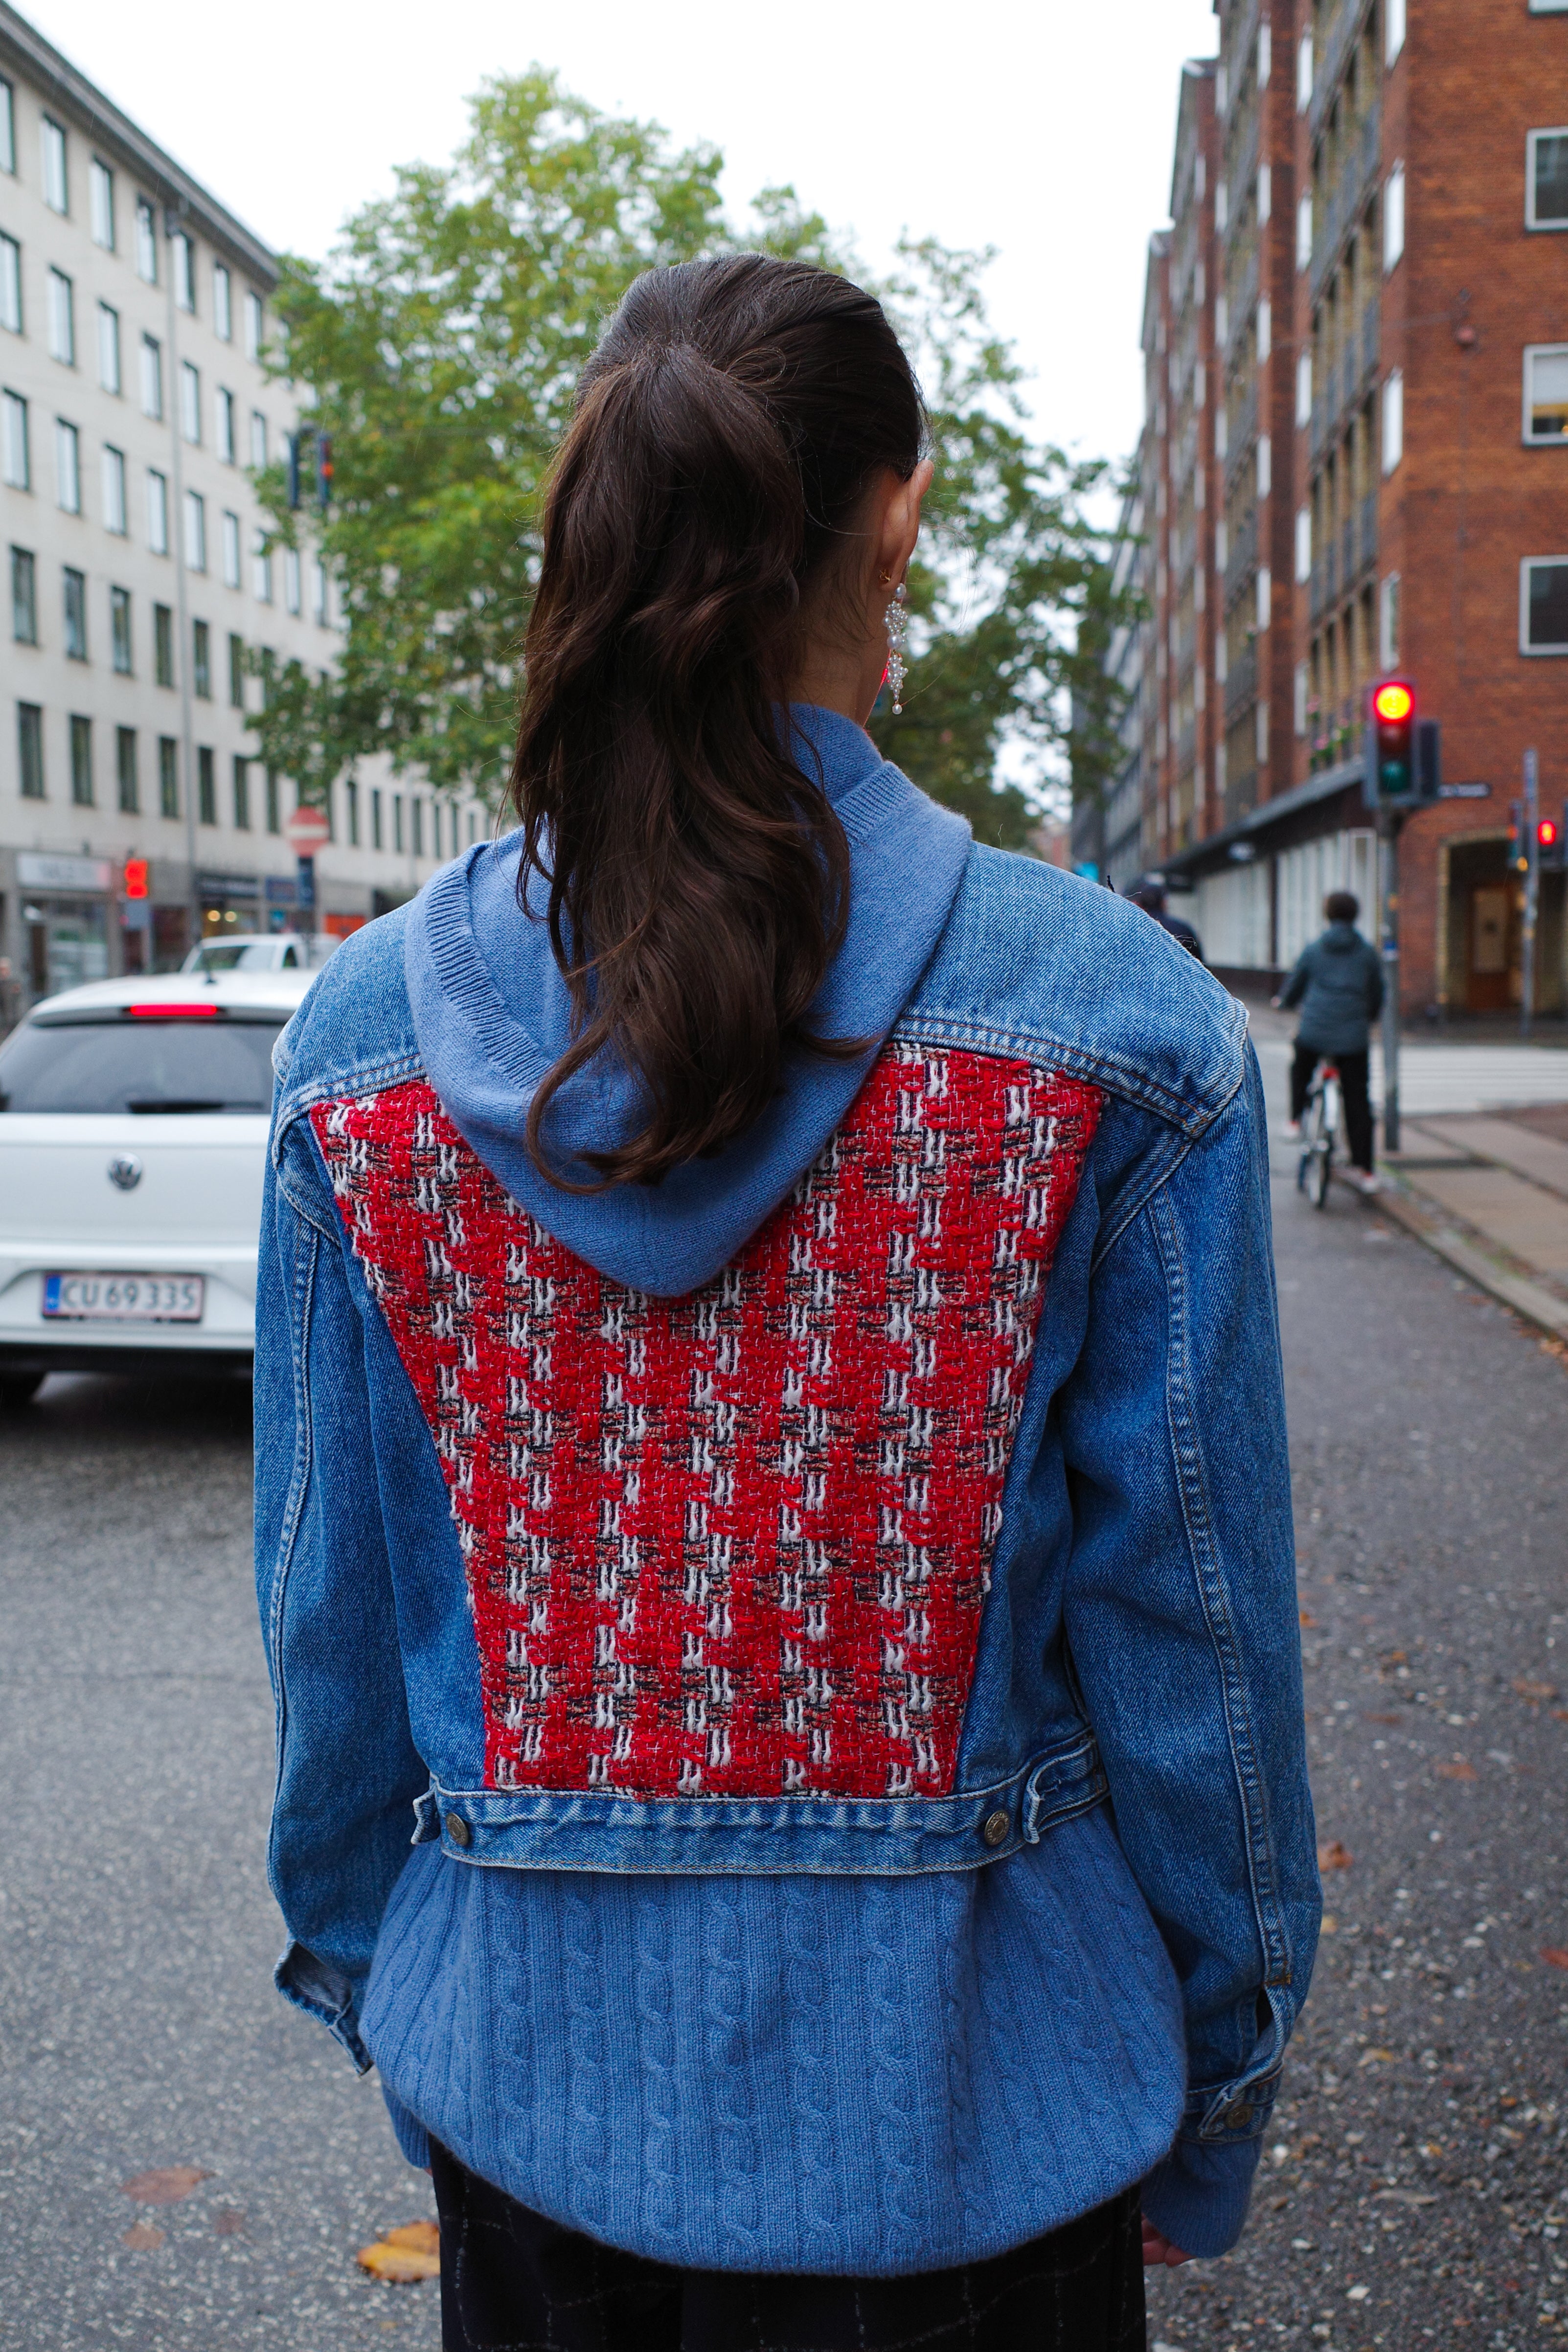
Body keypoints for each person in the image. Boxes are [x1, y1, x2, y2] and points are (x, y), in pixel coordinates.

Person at [255, 254, 1317, 2352]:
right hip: (983, 2132)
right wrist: (1217, 2059)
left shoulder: (361, 1049)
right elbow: (1192, 1636)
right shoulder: (1109, 1027)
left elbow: (333, 1606)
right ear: (893, 519)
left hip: (531, 2120)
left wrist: (405, 1981)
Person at [1274, 890, 1385, 1195]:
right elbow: (1378, 993)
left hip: (1315, 1032)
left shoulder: (1315, 949)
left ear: (1328, 915)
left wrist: (1283, 1001)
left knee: (1300, 1066)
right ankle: (1365, 1171)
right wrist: (1369, 1016)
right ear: (1355, 916)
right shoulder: (1367, 954)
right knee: (1358, 1101)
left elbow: (1295, 985)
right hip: (1353, 1038)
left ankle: (1296, 1120)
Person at [1128, 877, 1204, 961]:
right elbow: (1200, 964)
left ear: (1140, 903)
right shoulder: (1183, 930)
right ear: (1164, 903)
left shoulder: (1133, 931)